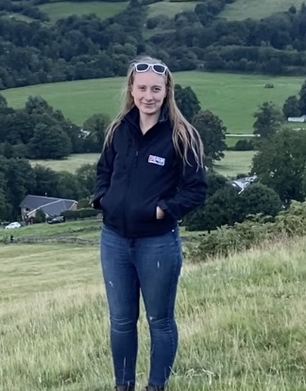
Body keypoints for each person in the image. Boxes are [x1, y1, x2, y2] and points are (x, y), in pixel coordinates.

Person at [91, 55, 207, 391]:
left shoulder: (182, 135)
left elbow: (196, 190)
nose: (148, 96)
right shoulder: (118, 129)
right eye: (142, 88)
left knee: (160, 320)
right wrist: (103, 199)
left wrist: (162, 211)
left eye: (156, 89)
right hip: (114, 241)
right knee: (122, 321)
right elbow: (103, 171)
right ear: (131, 89)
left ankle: (157, 386)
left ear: (167, 91)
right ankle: (123, 386)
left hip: (157, 243)